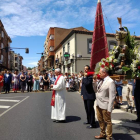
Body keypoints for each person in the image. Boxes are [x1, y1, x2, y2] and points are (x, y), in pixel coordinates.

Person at [94, 67, 116, 140]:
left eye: (100, 73)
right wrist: (94, 82)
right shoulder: (100, 80)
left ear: (104, 73)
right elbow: (95, 90)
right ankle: (102, 133)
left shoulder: (110, 81)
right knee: (100, 120)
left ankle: (109, 136)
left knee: (108, 121)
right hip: (98, 104)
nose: (98, 74)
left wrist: (110, 108)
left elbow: (112, 96)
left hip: (105, 105)